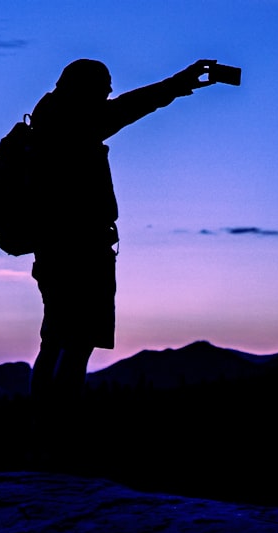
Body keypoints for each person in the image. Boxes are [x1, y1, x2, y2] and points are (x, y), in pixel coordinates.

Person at [28, 59, 220, 408]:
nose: (109, 93)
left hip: (57, 249)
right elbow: (130, 108)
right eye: (103, 87)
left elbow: (122, 108)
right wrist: (180, 82)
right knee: (76, 343)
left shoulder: (51, 119)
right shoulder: (71, 123)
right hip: (80, 249)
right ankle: (57, 434)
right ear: (83, 88)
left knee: (56, 341)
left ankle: (44, 432)